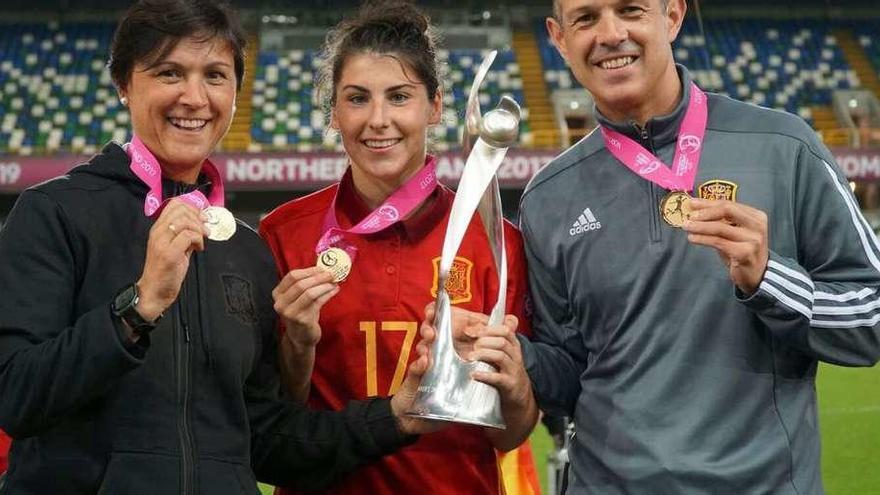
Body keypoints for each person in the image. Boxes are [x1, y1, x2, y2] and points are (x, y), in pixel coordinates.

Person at [0, 1, 440, 493]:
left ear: (234, 92)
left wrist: (397, 415)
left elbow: (266, 439)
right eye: (169, 72)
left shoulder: (247, 252)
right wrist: (138, 307)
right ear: (124, 85)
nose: (194, 97)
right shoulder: (53, 214)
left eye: (215, 75)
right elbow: (16, 396)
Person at [475, 0, 880, 493]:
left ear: (672, 16)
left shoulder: (783, 147)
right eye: (585, 18)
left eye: (631, 10)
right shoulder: (548, 197)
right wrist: (513, 357)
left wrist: (770, 278)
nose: (610, 33)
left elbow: (871, 318)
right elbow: (568, 369)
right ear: (558, 39)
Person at [258, 2, 540, 494]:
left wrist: (514, 386)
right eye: (357, 98)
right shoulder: (285, 233)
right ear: (334, 113)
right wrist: (298, 342)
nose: (378, 119)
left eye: (399, 96)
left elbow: (509, 434)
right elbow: (273, 424)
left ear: (433, 106)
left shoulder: (495, 240)